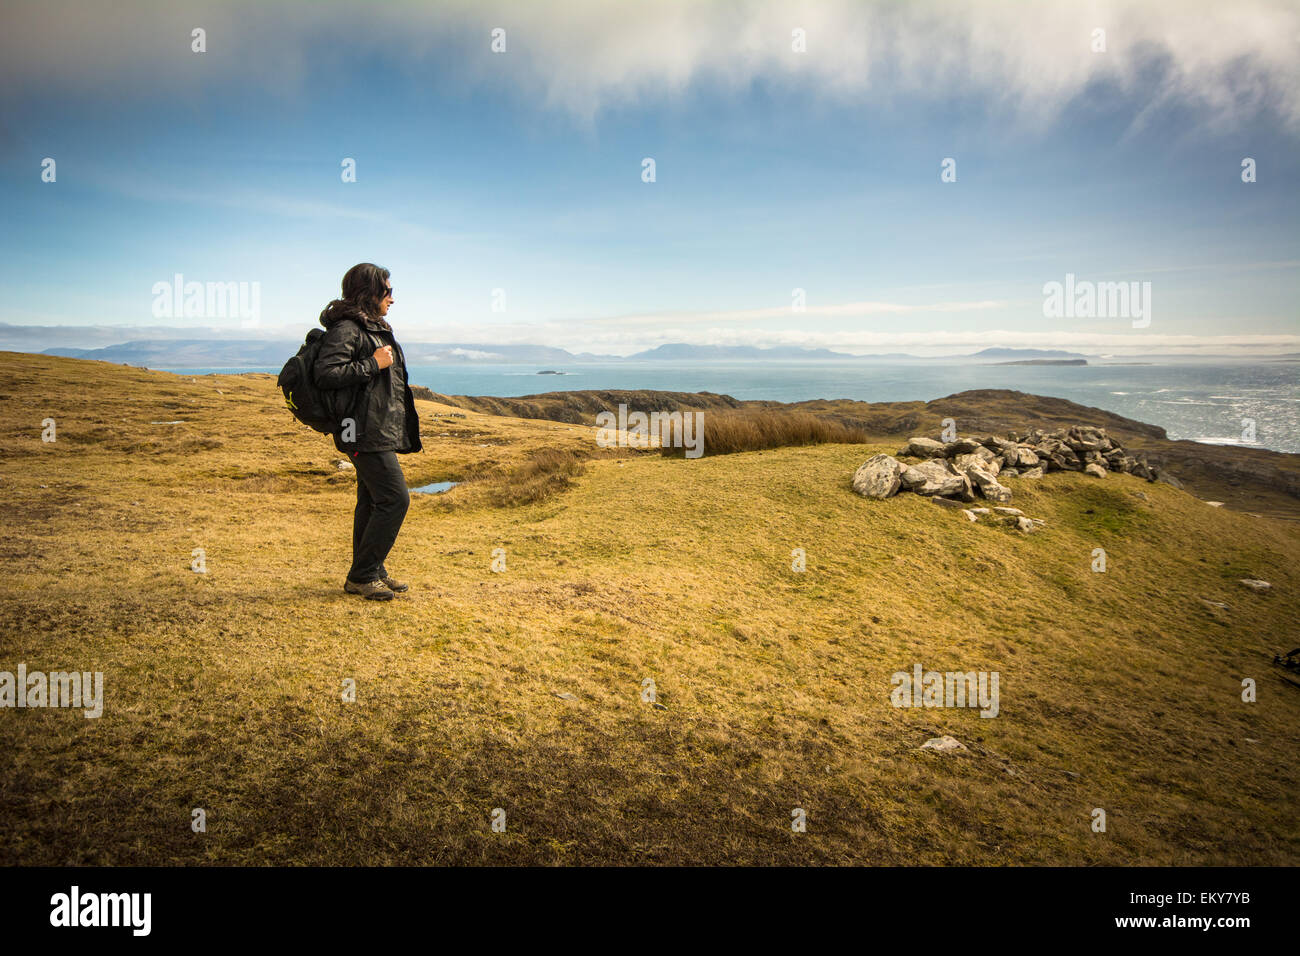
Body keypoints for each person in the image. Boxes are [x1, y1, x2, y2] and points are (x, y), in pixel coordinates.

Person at [314, 263, 422, 600]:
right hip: (359, 430)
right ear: (369, 292)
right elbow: (326, 373)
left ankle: (371, 569)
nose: (393, 297)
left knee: (373, 500)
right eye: (387, 290)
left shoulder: (370, 326)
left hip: (371, 428)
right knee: (395, 498)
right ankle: (362, 574)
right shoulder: (348, 328)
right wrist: (374, 363)